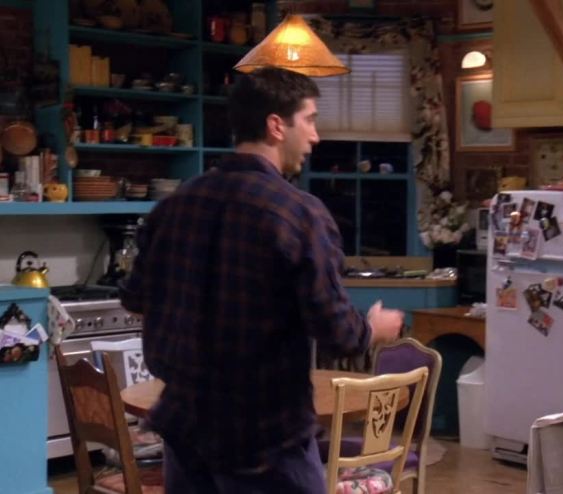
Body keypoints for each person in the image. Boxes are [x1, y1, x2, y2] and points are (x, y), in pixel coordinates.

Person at [120, 67, 404, 493]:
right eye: (309, 120)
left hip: (185, 428)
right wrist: (373, 329)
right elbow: (338, 333)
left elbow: (135, 298)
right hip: (265, 439)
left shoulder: (173, 207)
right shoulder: (299, 214)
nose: (316, 136)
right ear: (276, 125)